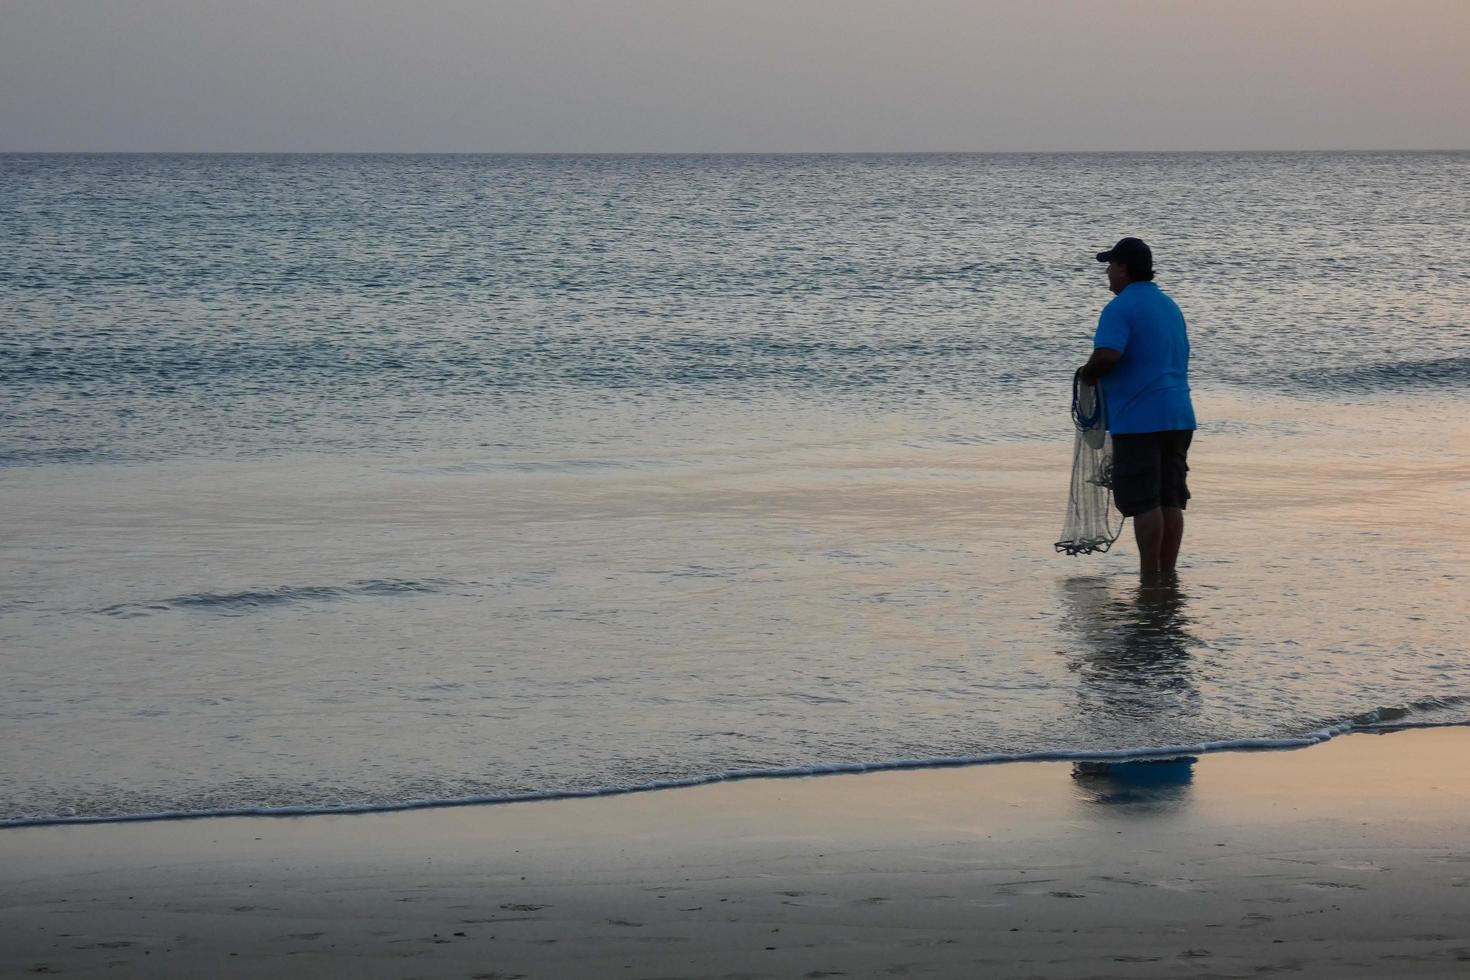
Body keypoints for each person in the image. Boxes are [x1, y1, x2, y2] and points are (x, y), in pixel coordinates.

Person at [1077, 237, 1196, 577]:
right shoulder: (1169, 306)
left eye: (1111, 266)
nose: (1108, 274)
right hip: (1179, 415)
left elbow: (1108, 356)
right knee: (1170, 498)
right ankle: (1166, 574)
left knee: (1144, 500)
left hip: (1139, 419)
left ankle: (1148, 578)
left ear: (1124, 269)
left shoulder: (1120, 308)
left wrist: (1086, 374)